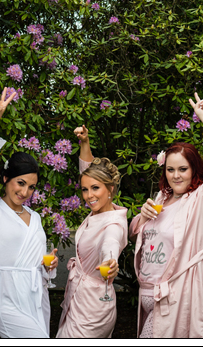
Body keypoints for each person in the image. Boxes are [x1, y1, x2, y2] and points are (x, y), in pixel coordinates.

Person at [129, 92, 203, 338]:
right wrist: (142, 217)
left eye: (183, 169)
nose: (176, 175)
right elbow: (136, 232)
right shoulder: (161, 198)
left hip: (183, 296)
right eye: (170, 169)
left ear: (195, 170)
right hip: (149, 293)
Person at [0, 88, 58, 338]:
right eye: (20, 183)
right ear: (7, 179)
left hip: (38, 298)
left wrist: (49, 266)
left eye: (31, 186)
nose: (25, 191)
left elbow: (41, 265)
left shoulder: (36, 217)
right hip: (10, 300)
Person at [56, 125, 128, 338]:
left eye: (95, 188)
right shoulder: (100, 211)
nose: (88, 196)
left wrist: (110, 261)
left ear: (111, 189)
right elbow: (87, 172)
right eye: (85, 190)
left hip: (92, 307)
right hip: (79, 298)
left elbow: (110, 243)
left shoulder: (114, 224)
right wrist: (84, 143)